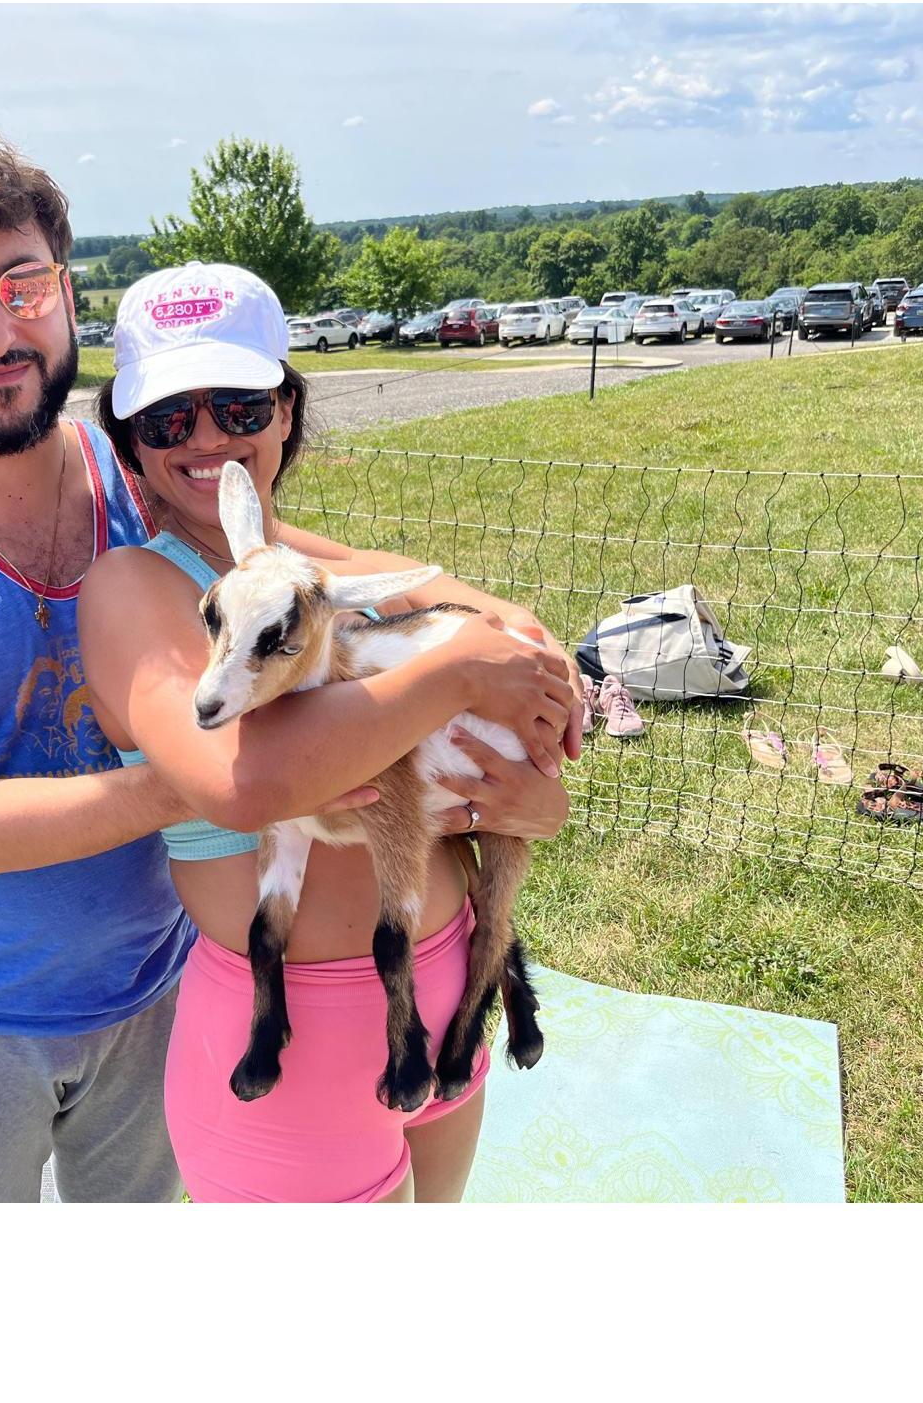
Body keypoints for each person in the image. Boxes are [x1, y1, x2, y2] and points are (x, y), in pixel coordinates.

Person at [0, 115, 579, 1203]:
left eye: (20, 284)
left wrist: (503, 628)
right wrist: (247, 775)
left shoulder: (139, 477)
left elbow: (320, 567)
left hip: (165, 974)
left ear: (66, 295)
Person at [78, 261, 575, 1202]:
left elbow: (508, 626)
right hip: (293, 1042)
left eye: (239, 405)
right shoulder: (135, 589)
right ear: (132, 447)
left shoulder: (315, 565)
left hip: (442, 982)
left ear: (286, 412)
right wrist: (462, 670)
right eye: (169, 420)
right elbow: (254, 782)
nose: (211, 438)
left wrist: (531, 789)